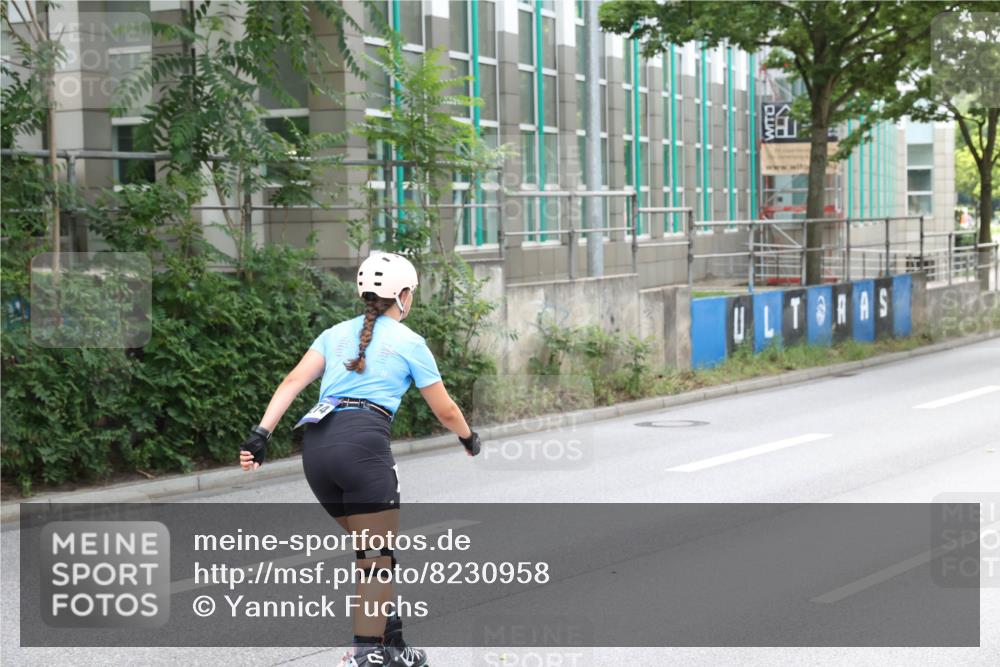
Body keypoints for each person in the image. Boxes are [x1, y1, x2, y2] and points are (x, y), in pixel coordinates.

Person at [239, 251, 482, 667]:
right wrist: (469, 437)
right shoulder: (410, 342)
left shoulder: (333, 334)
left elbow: (293, 381)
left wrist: (260, 435)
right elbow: (445, 410)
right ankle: (365, 654)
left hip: (316, 452)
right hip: (362, 449)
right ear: (403, 296)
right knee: (376, 560)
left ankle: (394, 648)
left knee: (374, 556)